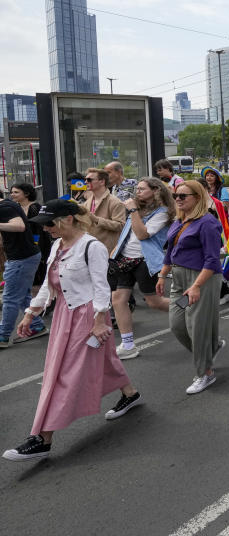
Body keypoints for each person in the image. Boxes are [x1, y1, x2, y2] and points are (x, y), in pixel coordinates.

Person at [3, 200, 143, 462]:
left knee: (64, 375)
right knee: (103, 359)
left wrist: (99, 320)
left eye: (49, 223)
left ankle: (43, 438)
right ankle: (130, 393)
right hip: (64, 315)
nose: (46, 229)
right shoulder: (57, 245)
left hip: (88, 315)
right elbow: (48, 283)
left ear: (68, 219)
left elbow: (102, 287)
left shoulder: (92, 247)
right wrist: (31, 312)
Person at [157, 180, 224, 395]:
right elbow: (170, 250)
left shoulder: (207, 223)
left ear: (197, 197)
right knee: (177, 324)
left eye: (183, 196)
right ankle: (210, 348)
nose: (177, 198)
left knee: (197, 327)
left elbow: (213, 260)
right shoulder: (179, 220)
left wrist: (196, 286)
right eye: (176, 195)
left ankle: (205, 373)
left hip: (201, 279)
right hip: (179, 280)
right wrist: (162, 275)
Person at [109, 177, 174, 359]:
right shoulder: (138, 210)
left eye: (142, 189)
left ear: (156, 191)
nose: (138, 192)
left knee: (154, 302)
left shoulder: (163, 212)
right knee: (118, 300)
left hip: (145, 260)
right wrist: (115, 251)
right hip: (125, 258)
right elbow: (127, 233)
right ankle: (128, 344)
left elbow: (142, 234)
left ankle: (191, 307)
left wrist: (133, 210)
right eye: (137, 189)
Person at [0, 188, 45, 347]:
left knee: (10, 298)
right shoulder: (8, 205)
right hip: (24, 257)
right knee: (23, 295)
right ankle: (36, 325)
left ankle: (2, 337)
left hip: (21, 259)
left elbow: (19, 226)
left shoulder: (4, 208)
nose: (13, 194)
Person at [81, 167, 127, 253]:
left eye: (89, 179)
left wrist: (97, 219)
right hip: (89, 249)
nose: (86, 182)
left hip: (106, 250)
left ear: (102, 182)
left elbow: (120, 225)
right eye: (85, 179)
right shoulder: (87, 202)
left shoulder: (115, 202)